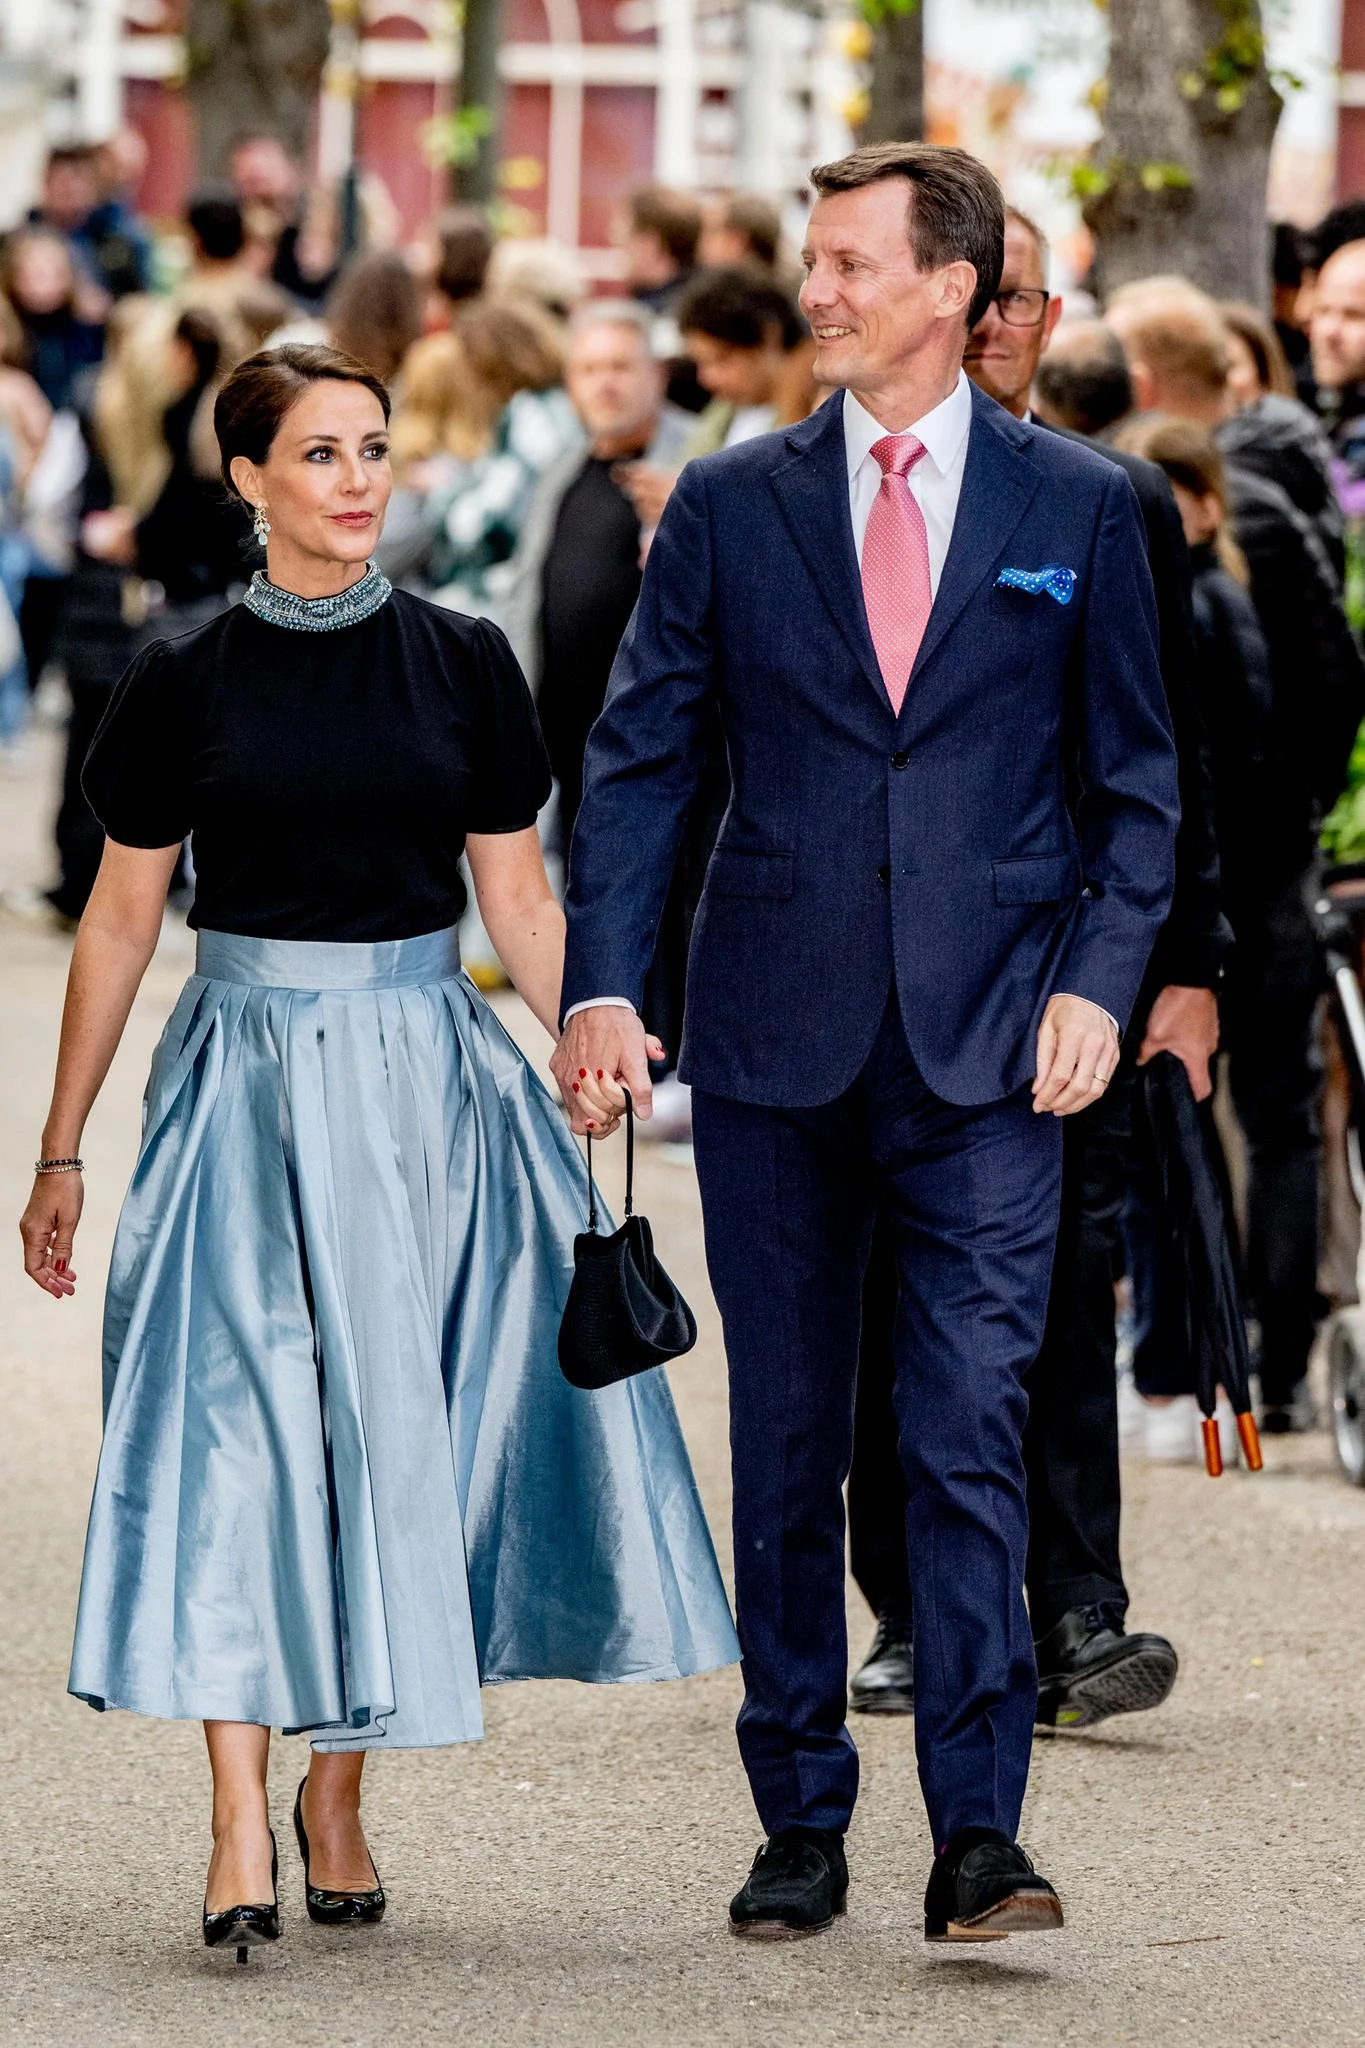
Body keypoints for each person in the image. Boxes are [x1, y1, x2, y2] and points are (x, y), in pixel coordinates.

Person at [19, 341, 737, 1958]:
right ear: (249, 478)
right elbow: (126, 918)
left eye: (374, 448)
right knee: (238, 1438)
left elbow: (521, 896)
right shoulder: (183, 673)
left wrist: (593, 1023)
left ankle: (335, 1787)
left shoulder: (464, 659)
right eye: (322, 452)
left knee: (387, 1436)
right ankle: (229, 1813)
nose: (358, 478)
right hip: (243, 1092)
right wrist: (61, 1145)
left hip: (426, 1088)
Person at [556, 142, 1179, 1941]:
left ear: (951, 291)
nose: (811, 287)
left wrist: (1100, 979)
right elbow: (645, 757)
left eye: (844, 261)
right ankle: (800, 1808)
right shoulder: (732, 506)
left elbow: (1140, 795)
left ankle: (979, 1831)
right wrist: (609, 978)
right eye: (814, 259)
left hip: (1002, 1054)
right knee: (793, 1440)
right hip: (771, 1050)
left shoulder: (1086, 508)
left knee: (967, 1430)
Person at [847, 205, 1224, 1726]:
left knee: (1066, 1284)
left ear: (1045, 316)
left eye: (1014, 302)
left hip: (1076, 964)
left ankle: (1075, 1611)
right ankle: (908, 1612)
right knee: (888, 1290)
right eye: (971, 297)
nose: (991, 327)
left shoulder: (1111, 502)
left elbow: (1169, 749)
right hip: (886, 970)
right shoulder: (819, 490)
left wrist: (1180, 966)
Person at [1108, 282, 1365, 1430]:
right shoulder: (1268, 512)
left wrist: (1277, 826)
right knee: (1271, 1113)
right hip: (1268, 862)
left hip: (1235, 875)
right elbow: (1331, 683)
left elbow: (1304, 696)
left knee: (1216, 1111)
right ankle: (1273, 1355)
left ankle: (1218, 1355)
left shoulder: (1205, 525)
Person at [1114, 413, 1274, 1453]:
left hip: (1200, 918)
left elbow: (1209, 765)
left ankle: (1180, 1372)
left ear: (1206, 507)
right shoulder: (1217, 600)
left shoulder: (1212, 609)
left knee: (1175, 1160)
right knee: (1175, 1159)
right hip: (1199, 911)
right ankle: (1173, 1363)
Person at [503, 301, 692, 849]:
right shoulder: (562, 471)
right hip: (567, 756)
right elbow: (526, 592)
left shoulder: (699, 466)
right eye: (588, 370)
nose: (604, 384)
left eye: (619, 367)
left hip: (660, 758)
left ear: (656, 374)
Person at [673, 267, 815, 455]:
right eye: (700, 363)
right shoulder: (722, 413)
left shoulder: (816, 409)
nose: (707, 378)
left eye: (721, 359)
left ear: (768, 337)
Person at [698, 193, 785, 273]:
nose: (700, 242)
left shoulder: (707, 288)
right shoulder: (789, 286)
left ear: (735, 242)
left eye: (712, 231)